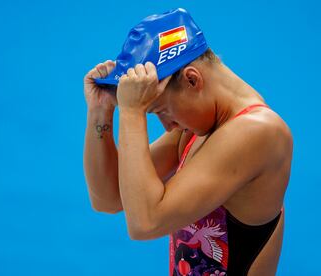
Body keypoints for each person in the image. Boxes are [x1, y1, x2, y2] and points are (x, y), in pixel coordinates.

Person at [83, 8, 292, 276]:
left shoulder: (259, 132)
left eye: (160, 110)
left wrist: (132, 112)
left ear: (192, 80)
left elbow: (145, 223)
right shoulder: (196, 129)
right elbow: (109, 198)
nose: (167, 125)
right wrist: (100, 111)